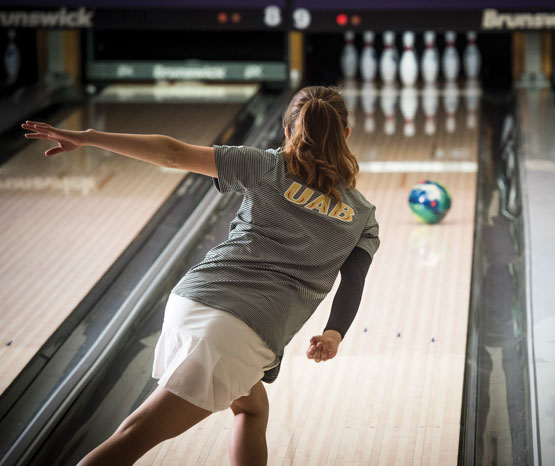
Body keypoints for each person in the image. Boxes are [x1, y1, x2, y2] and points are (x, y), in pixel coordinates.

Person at [21, 85, 380, 466]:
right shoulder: (362, 216)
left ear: (288, 132)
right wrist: (332, 334)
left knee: (251, 407)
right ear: (345, 135)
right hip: (235, 334)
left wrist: (89, 137)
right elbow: (352, 284)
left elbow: (172, 153)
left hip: (194, 299)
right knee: (134, 437)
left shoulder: (265, 165)